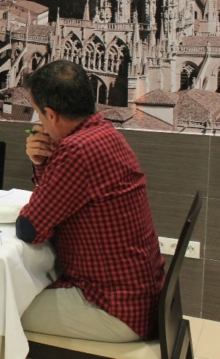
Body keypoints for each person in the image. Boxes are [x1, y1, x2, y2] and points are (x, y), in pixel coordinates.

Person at [18, 60, 165, 342]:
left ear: (52, 115)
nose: (39, 122)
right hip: (140, 297)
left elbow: (30, 228)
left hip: (111, 307)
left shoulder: (76, 150)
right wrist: (41, 162)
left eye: (38, 113)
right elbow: (61, 200)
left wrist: (44, 169)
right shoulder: (103, 133)